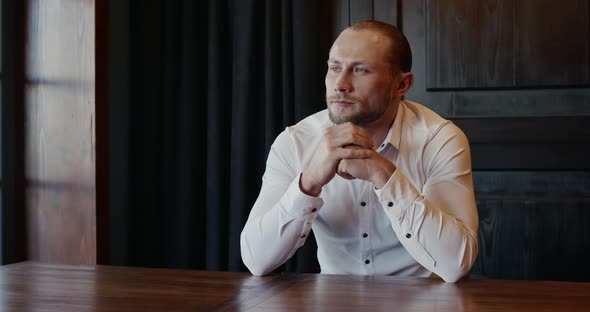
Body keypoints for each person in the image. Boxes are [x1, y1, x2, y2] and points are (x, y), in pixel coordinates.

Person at [240, 20, 479, 283]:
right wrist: (307, 184)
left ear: (402, 84)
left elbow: (455, 264)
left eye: (361, 70)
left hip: (422, 301)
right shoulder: (296, 142)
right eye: (334, 68)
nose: (340, 84)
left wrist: (385, 176)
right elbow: (256, 260)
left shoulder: (439, 140)